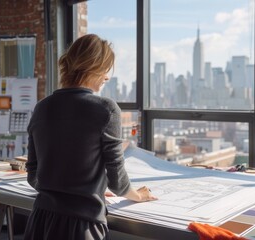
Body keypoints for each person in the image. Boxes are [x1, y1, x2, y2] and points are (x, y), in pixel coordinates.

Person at [24, 34, 157, 240]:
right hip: (81, 226)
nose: (107, 77)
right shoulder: (106, 109)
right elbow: (117, 179)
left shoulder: (42, 108)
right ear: (94, 68)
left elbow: (33, 173)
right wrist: (137, 195)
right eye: (106, 69)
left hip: (40, 220)